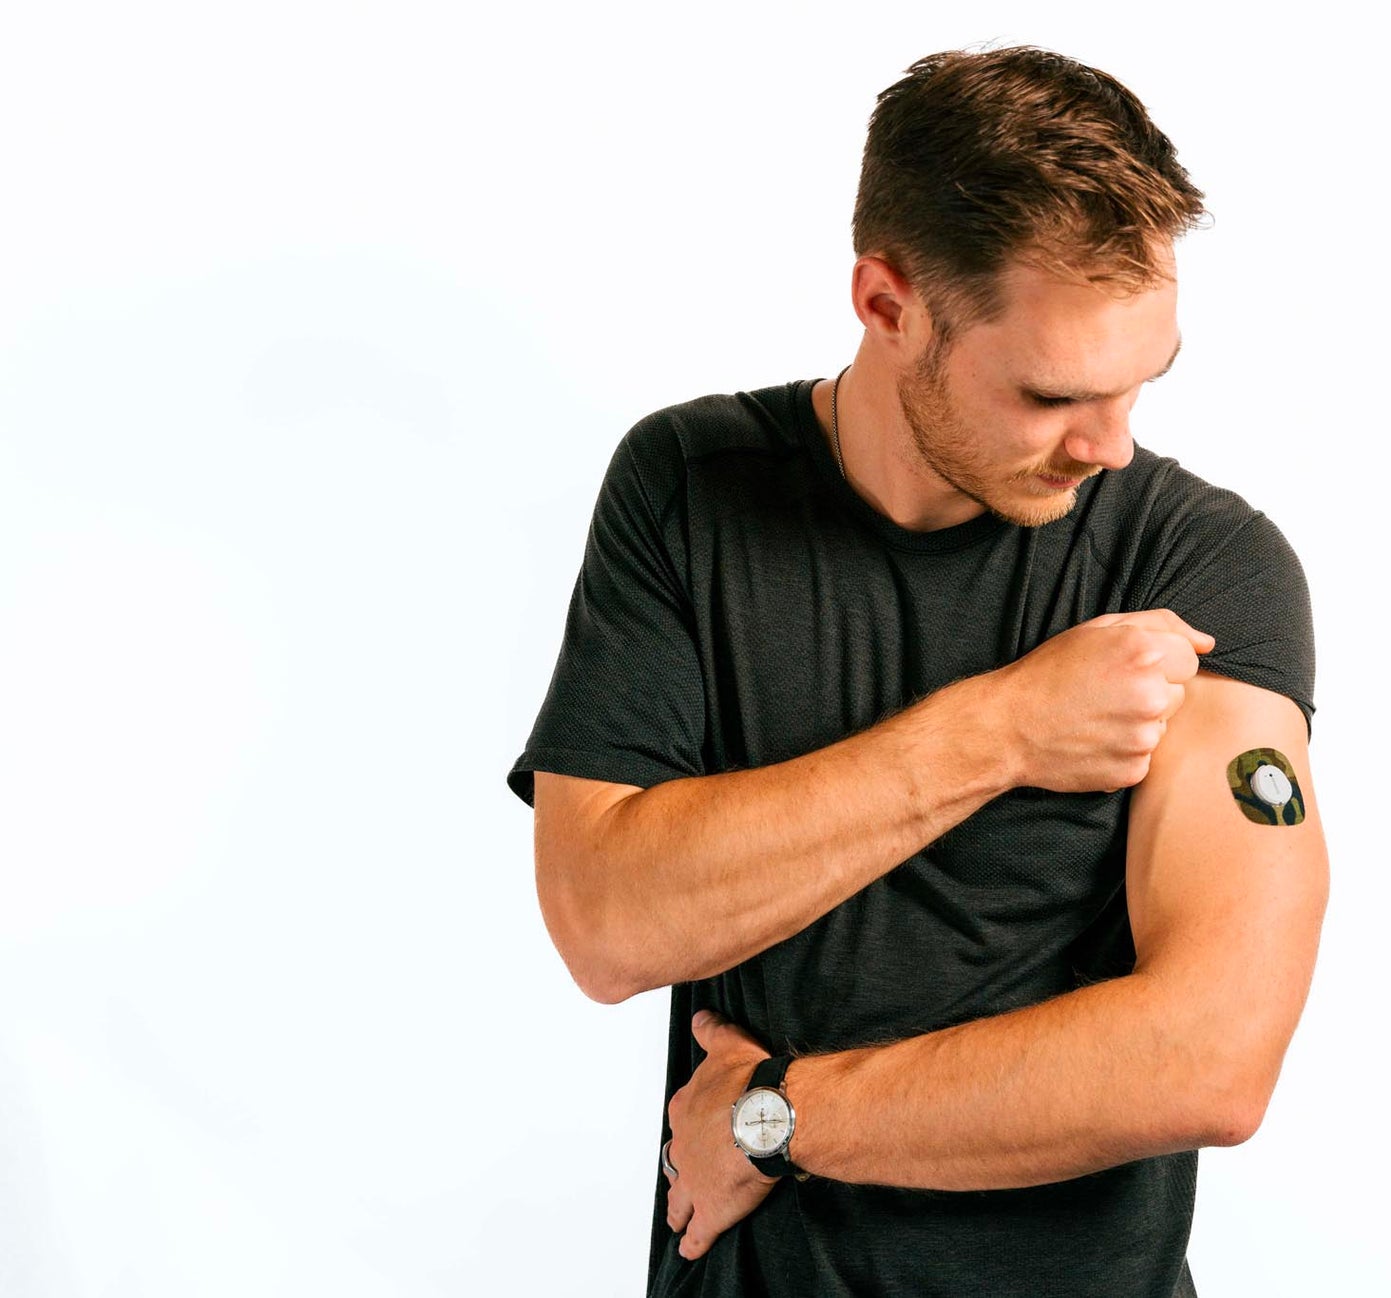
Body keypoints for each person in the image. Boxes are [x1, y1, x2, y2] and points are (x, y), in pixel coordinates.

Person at [505, 44, 1329, 1298]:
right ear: (887, 305)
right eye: (1051, 395)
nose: (1110, 446)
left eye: (1141, 383)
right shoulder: (690, 488)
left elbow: (1209, 1056)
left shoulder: (1198, 563)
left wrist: (776, 1119)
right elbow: (607, 926)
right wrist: (1000, 730)